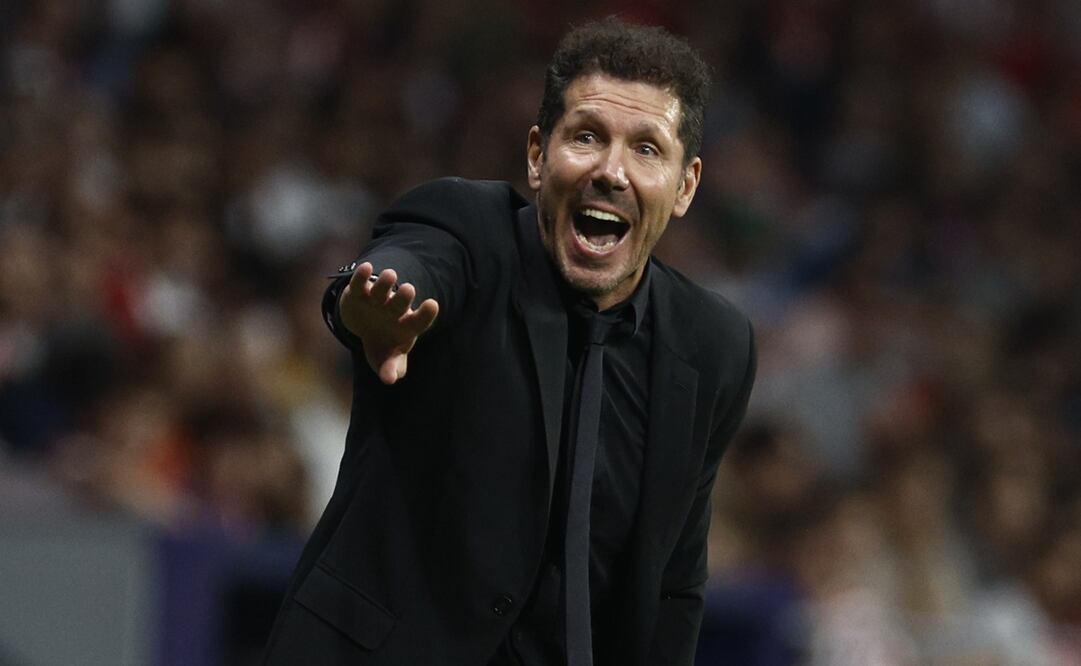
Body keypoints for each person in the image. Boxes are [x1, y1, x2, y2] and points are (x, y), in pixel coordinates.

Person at [263, 18, 755, 666]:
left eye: (645, 149)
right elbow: (410, 263)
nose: (611, 171)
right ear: (536, 155)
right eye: (587, 136)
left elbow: (674, 580)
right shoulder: (468, 231)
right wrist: (373, 308)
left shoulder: (713, 346)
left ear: (685, 185)